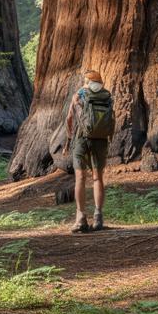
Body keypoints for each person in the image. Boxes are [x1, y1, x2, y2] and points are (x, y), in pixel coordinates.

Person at [66, 69, 113, 233]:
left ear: (86, 81)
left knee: (80, 177)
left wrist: (69, 136)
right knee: (97, 178)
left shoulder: (80, 94)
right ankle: (98, 217)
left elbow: (69, 118)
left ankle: (80, 218)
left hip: (81, 139)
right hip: (100, 140)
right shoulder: (107, 95)